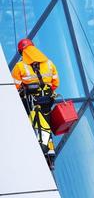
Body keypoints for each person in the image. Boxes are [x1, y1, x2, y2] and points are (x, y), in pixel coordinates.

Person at [12, 38, 59, 169]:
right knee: (46, 123)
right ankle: (50, 152)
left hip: (31, 101)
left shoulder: (20, 66)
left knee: (35, 124)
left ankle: (41, 151)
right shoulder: (49, 63)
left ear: (21, 52)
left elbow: (14, 87)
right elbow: (55, 83)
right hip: (47, 100)